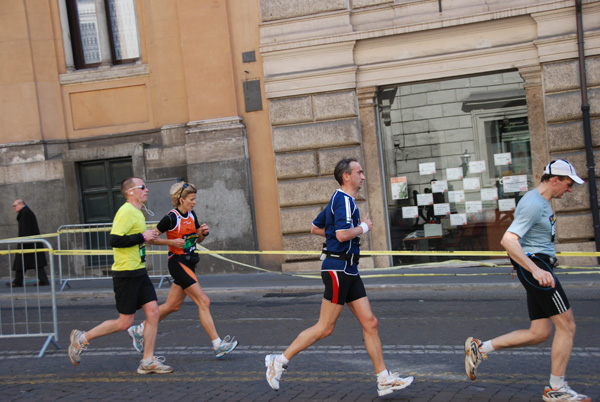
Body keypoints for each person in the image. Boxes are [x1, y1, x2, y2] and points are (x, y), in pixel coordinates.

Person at [265, 158, 414, 397]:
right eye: (359, 172)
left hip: (349, 270)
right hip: (338, 270)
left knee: (370, 323)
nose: (363, 177)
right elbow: (343, 234)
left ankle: (383, 379)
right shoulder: (343, 201)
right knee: (325, 328)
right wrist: (363, 227)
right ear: (347, 176)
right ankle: (278, 361)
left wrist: (339, 234)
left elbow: (315, 227)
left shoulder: (341, 200)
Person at [464, 159, 591, 402]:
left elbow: (521, 242)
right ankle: (556, 389)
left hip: (536, 266)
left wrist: (522, 264)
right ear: (554, 180)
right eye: (568, 183)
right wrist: (534, 269)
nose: (570, 189)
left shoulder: (541, 201)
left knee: (540, 332)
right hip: (539, 269)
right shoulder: (534, 203)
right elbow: (508, 240)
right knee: (568, 325)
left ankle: (479, 349)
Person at [68, 177, 174, 375]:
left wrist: (152, 238)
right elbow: (115, 240)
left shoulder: (137, 213)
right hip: (125, 273)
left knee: (153, 313)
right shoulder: (125, 211)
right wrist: (142, 237)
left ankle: (148, 361)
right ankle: (82, 338)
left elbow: (137, 239)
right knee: (124, 322)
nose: (147, 190)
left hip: (139, 271)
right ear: (131, 192)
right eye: (143, 187)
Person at [126, 181, 238, 359]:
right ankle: (218, 344)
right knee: (204, 301)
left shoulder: (192, 215)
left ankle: (139, 330)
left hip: (190, 262)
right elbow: (151, 239)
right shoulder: (170, 218)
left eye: (195, 199)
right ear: (180, 199)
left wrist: (202, 233)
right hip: (177, 263)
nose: (194, 202)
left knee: (172, 306)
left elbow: (196, 241)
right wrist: (171, 242)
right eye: (191, 199)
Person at [6, 200, 49, 287]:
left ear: (21, 204)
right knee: (33, 263)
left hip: (27, 243)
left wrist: (24, 242)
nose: (14, 208)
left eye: (15, 206)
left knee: (26, 262)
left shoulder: (26, 213)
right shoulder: (25, 212)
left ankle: (18, 282)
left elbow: (26, 229)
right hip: (29, 242)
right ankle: (43, 280)